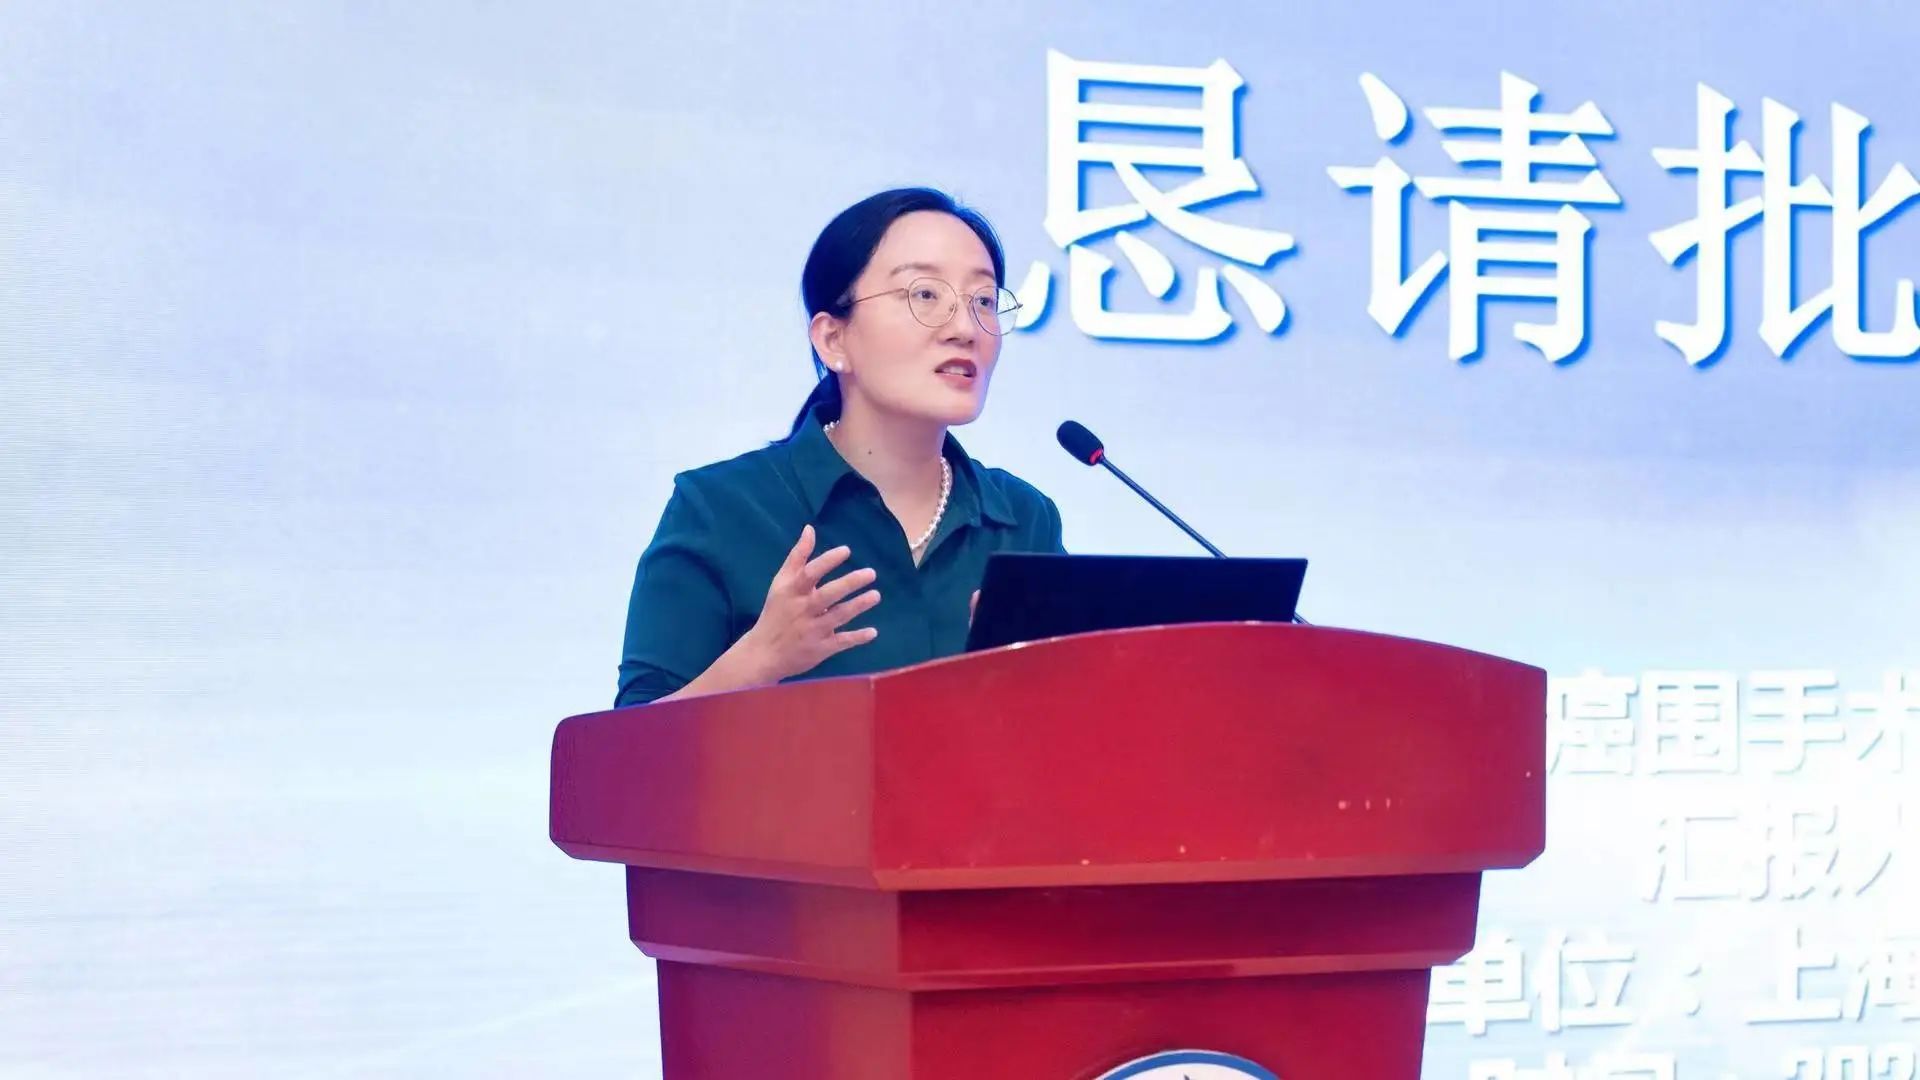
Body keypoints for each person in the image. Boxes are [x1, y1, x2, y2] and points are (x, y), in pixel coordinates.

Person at [615, 187, 1068, 707]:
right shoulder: (721, 508)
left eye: (983, 300)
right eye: (925, 295)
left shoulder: (1023, 520)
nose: (966, 328)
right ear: (833, 339)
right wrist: (760, 659)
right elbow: (623, 747)